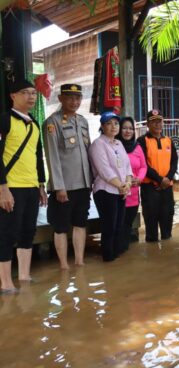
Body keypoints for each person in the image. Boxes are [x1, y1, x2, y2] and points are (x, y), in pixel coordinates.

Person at [0, 80, 47, 294]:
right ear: (13, 95)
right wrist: (3, 188)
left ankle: (25, 275)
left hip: (30, 187)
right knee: (7, 233)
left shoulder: (35, 123)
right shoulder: (4, 120)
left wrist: (41, 185)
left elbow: (38, 156)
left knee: (28, 231)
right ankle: (6, 282)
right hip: (11, 186)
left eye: (33, 93)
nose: (30, 97)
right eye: (25, 93)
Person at [43, 83, 93, 269]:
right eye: (70, 98)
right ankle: (64, 265)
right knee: (61, 226)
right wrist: (58, 186)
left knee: (80, 223)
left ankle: (79, 260)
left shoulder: (83, 121)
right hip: (64, 186)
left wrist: (92, 180)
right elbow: (52, 156)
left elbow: (88, 153)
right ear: (60, 99)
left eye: (78, 98)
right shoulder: (52, 122)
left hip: (83, 184)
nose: (75, 101)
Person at [89, 112, 132, 262]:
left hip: (121, 190)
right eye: (109, 123)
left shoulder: (118, 143)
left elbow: (127, 166)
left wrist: (127, 183)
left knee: (119, 225)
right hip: (105, 191)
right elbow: (104, 170)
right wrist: (121, 185)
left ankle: (115, 257)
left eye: (116, 123)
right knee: (109, 226)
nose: (113, 126)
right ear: (102, 126)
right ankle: (108, 257)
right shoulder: (98, 144)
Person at [137, 109, 178, 242]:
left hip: (167, 187)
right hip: (149, 188)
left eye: (159, 121)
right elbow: (143, 164)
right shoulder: (142, 141)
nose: (157, 124)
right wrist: (160, 180)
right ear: (148, 125)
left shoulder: (168, 141)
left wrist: (168, 179)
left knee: (167, 222)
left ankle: (167, 254)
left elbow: (174, 161)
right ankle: (152, 252)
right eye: (153, 122)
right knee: (151, 224)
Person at [116, 116, 147, 250]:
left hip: (133, 193)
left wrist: (139, 178)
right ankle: (116, 250)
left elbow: (143, 166)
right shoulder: (114, 145)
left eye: (130, 129)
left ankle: (123, 252)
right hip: (118, 191)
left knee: (128, 223)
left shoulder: (137, 147)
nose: (127, 131)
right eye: (124, 128)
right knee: (118, 224)